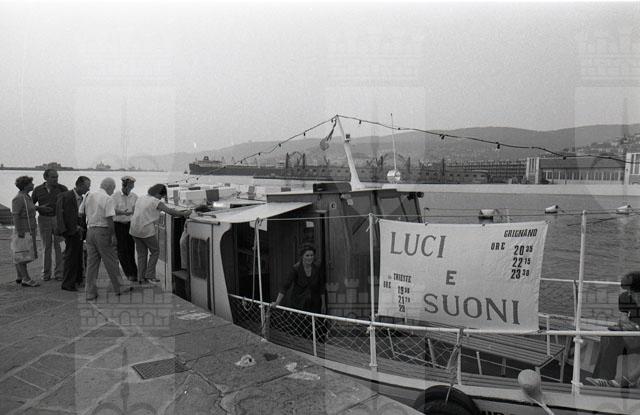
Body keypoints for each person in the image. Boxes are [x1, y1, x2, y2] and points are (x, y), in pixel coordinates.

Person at [80, 177, 132, 301]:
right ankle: (119, 287)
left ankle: (90, 292)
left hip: (90, 231)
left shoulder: (89, 195)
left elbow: (81, 212)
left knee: (92, 263)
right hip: (103, 231)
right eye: (113, 189)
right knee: (111, 260)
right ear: (109, 187)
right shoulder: (107, 198)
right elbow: (109, 218)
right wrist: (113, 235)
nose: (113, 191)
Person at [586, 271, 640, 388]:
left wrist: (636, 328)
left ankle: (630, 380)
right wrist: (624, 325)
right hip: (632, 337)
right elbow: (623, 316)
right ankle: (604, 379)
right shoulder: (625, 297)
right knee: (608, 337)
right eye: (628, 291)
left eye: (633, 291)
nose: (629, 294)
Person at [130, 184, 191, 284]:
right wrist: (184, 213)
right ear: (158, 193)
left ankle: (141, 277)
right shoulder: (155, 201)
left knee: (142, 254)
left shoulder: (141, 198)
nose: (161, 198)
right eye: (161, 196)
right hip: (145, 231)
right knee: (155, 251)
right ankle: (150, 275)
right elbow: (171, 211)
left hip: (134, 230)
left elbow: (134, 210)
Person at [31, 168, 68, 281]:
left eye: (57, 177)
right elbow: (30, 205)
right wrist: (39, 208)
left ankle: (59, 273)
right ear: (45, 177)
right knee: (46, 246)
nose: (56, 179)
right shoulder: (37, 189)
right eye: (53, 177)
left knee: (60, 247)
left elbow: (68, 204)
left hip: (58, 219)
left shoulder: (62, 188)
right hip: (43, 219)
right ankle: (46, 274)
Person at [56, 176, 90, 292]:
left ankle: (77, 280)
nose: (88, 189)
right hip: (69, 232)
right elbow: (60, 215)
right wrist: (64, 231)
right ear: (80, 185)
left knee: (78, 256)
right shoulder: (65, 196)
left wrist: (83, 229)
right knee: (70, 258)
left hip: (79, 232)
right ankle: (67, 283)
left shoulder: (83, 198)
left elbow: (82, 215)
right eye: (87, 186)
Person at [11, 176, 40, 287]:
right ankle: (26, 279)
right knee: (23, 255)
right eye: (31, 183)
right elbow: (15, 215)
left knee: (24, 253)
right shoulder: (19, 198)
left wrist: (40, 208)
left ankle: (20, 276)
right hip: (24, 230)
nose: (33, 184)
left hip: (30, 229)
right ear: (25, 185)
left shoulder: (26, 196)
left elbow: (29, 208)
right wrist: (20, 231)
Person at [112, 175, 138, 281]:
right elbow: (112, 210)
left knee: (131, 249)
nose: (131, 188)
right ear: (124, 185)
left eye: (132, 186)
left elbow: (137, 210)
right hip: (118, 225)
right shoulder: (115, 196)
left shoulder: (134, 197)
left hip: (130, 225)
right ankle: (128, 274)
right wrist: (124, 213)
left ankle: (134, 273)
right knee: (122, 250)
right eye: (129, 186)